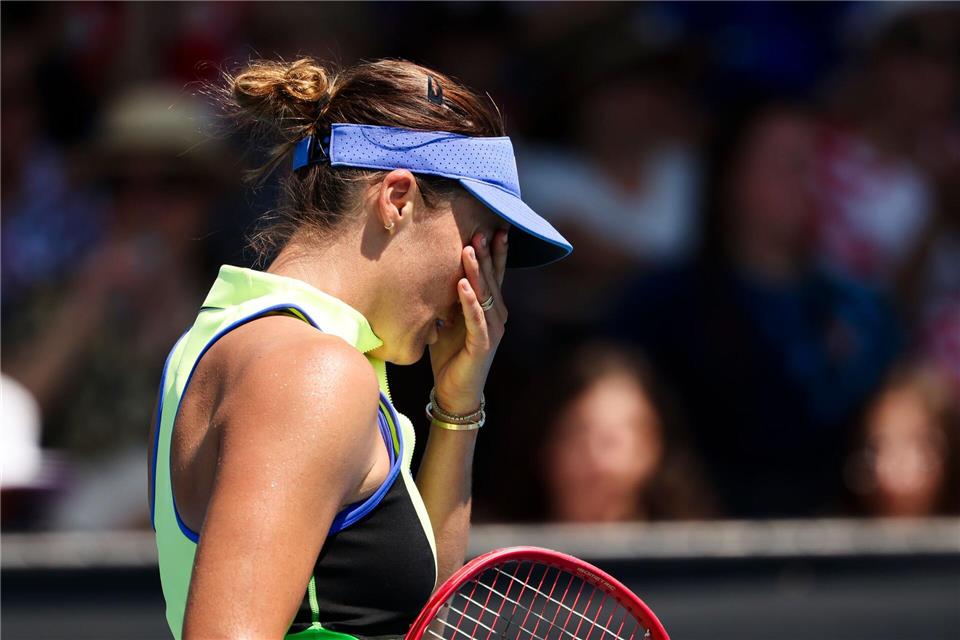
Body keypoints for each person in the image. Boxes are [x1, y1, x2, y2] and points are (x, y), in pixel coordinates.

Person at [147, 57, 571, 639]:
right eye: (476, 243)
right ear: (396, 198)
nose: (479, 287)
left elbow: (419, 619)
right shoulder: (312, 372)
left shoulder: (248, 338)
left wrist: (457, 404)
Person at [540, 342, 716, 523]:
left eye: (611, 441)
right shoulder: (514, 544)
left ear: (652, 447)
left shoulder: (695, 545)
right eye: (579, 439)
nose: (597, 463)